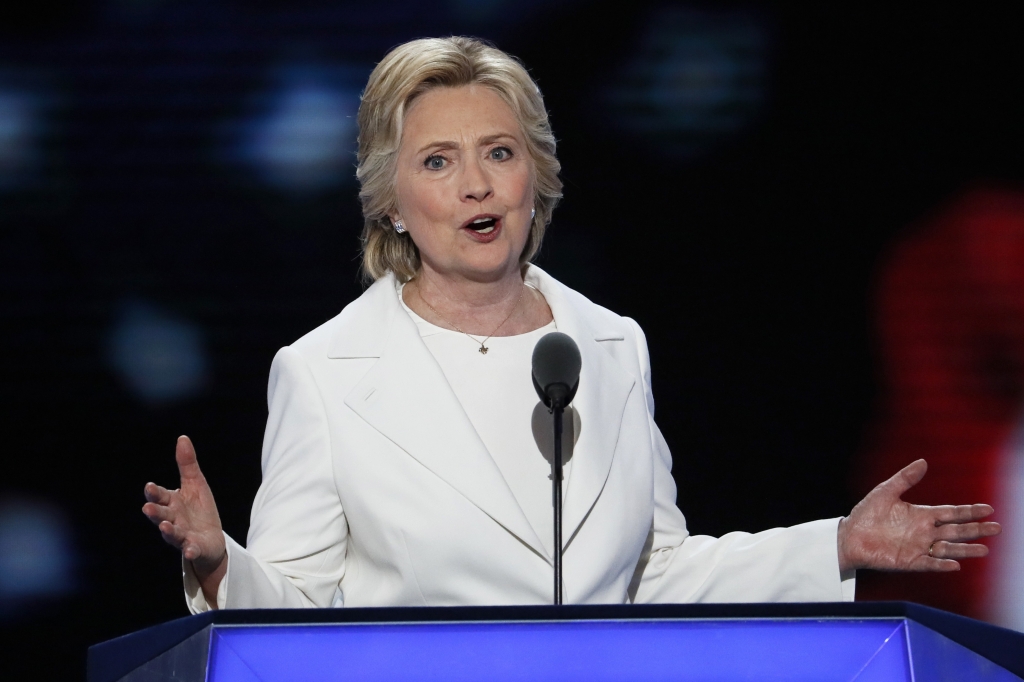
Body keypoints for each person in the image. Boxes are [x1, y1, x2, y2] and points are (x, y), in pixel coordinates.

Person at [142, 37, 1000, 611]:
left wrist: (836, 546)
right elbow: (297, 605)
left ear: (535, 179)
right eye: (438, 162)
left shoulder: (611, 344)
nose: (477, 185)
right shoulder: (325, 369)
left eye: (500, 153)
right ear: (391, 202)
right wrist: (222, 564)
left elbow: (655, 572)